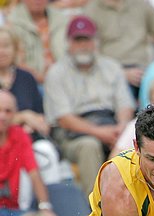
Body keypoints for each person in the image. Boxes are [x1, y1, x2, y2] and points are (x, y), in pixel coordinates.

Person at [44, 15, 135, 198]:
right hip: (73, 134)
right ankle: (98, 206)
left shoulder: (111, 66)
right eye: (78, 40)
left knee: (133, 138)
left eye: (87, 39)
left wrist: (121, 127)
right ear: (68, 43)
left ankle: (133, 202)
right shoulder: (56, 73)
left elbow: (125, 105)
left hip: (111, 124)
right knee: (89, 146)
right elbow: (64, 118)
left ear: (96, 41)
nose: (83, 45)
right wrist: (100, 132)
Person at [0, 26, 63, 191]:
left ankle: (48, 206)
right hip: (4, 144)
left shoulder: (26, 78)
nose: (2, 51)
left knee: (46, 151)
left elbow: (41, 116)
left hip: (29, 139)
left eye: (6, 46)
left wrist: (31, 121)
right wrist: (24, 117)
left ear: (15, 49)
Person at [84, 0, 154, 101]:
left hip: (144, 69)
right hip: (109, 72)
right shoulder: (92, 10)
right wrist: (120, 73)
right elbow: (89, 52)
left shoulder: (141, 4)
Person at [0, 90, 56, 216]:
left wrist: (45, 208)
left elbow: (34, 173)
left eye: (8, 111)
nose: (3, 116)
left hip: (16, 211)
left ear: (14, 114)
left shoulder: (19, 134)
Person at [7, 0, 68, 86]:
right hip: (30, 82)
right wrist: (40, 78)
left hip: (63, 78)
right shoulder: (11, 23)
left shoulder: (61, 19)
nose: (37, 1)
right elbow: (14, 61)